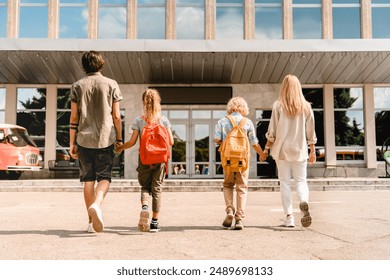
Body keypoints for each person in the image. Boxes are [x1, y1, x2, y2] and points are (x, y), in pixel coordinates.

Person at [69, 51, 123, 233]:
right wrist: (120, 138)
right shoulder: (111, 84)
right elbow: (116, 115)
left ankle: (91, 223)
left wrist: (71, 143)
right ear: (101, 64)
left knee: (88, 180)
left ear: (84, 65)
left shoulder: (77, 86)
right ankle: (97, 205)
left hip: (84, 139)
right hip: (105, 139)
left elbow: (74, 116)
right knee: (105, 177)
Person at [260, 74, 317, 228]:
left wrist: (265, 149)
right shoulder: (306, 107)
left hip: (282, 150)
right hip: (300, 149)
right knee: (301, 181)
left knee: (284, 183)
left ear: (284, 87)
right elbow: (310, 131)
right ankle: (303, 201)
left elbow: (272, 131)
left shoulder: (278, 105)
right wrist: (312, 150)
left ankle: (289, 217)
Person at [116, 89, 173, 232]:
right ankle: (154, 222)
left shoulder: (139, 120)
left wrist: (120, 148)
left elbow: (132, 142)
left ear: (143, 102)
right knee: (157, 190)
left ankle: (145, 206)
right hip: (160, 160)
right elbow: (171, 141)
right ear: (158, 102)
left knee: (145, 187)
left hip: (145, 159)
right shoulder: (164, 120)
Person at [214, 97, 263, 230]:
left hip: (228, 159)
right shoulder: (247, 122)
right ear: (243, 108)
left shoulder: (222, 121)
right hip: (243, 160)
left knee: (228, 185)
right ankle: (239, 219)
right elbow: (254, 142)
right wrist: (262, 154)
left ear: (230, 107)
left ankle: (230, 210)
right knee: (242, 187)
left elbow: (217, 140)